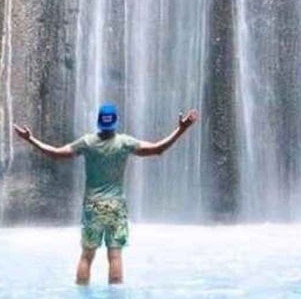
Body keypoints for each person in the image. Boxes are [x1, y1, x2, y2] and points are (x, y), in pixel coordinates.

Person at [14, 104, 199, 285]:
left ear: (98, 122)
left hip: (92, 206)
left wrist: (30, 139)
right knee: (115, 256)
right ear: (115, 122)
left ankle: (82, 295)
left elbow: (55, 153)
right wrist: (181, 130)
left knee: (87, 256)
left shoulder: (87, 142)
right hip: (116, 207)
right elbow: (158, 149)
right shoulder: (125, 143)